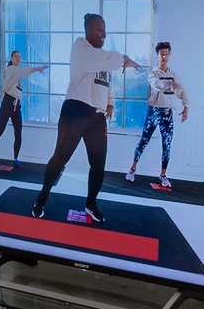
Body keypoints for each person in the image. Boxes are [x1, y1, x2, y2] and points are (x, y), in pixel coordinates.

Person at [31, 13, 139, 224]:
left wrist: (110, 103)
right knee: (60, 158)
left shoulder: (103, 58)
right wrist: (123, 58)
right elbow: (110, 60)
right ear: (88, 30)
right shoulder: (80, 48)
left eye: (105, 30)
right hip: (75, 111)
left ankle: (91, 204)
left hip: (97, 117)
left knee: (99, 165)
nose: (104, 34)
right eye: (100, 30)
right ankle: (41, 198)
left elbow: (106, 85)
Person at [126, 42, 189, 189]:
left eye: (166, 54)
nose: (164, 57)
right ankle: (132, 169)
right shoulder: (153, 73)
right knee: (144, 140)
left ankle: (163, 174)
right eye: (161, 54)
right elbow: (157, 85)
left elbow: (182, 91)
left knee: (167, 145)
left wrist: (186, 106)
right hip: (154, 112)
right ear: (157, 56)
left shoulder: (175, 75)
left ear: (169, 55)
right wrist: (170, 84)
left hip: (167, 114)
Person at [0, 51, 48, 167]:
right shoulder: (11, 69)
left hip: (16, 105)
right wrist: (38, 68)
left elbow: (19, 91)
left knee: (18, 133)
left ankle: (15, 158)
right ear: (11, 58)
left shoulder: (16, 73)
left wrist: (19, 105)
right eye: (16, 56)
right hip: (7, 102)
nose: (18, 58)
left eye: (19, 57)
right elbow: (23, 72)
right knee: (0, 130)